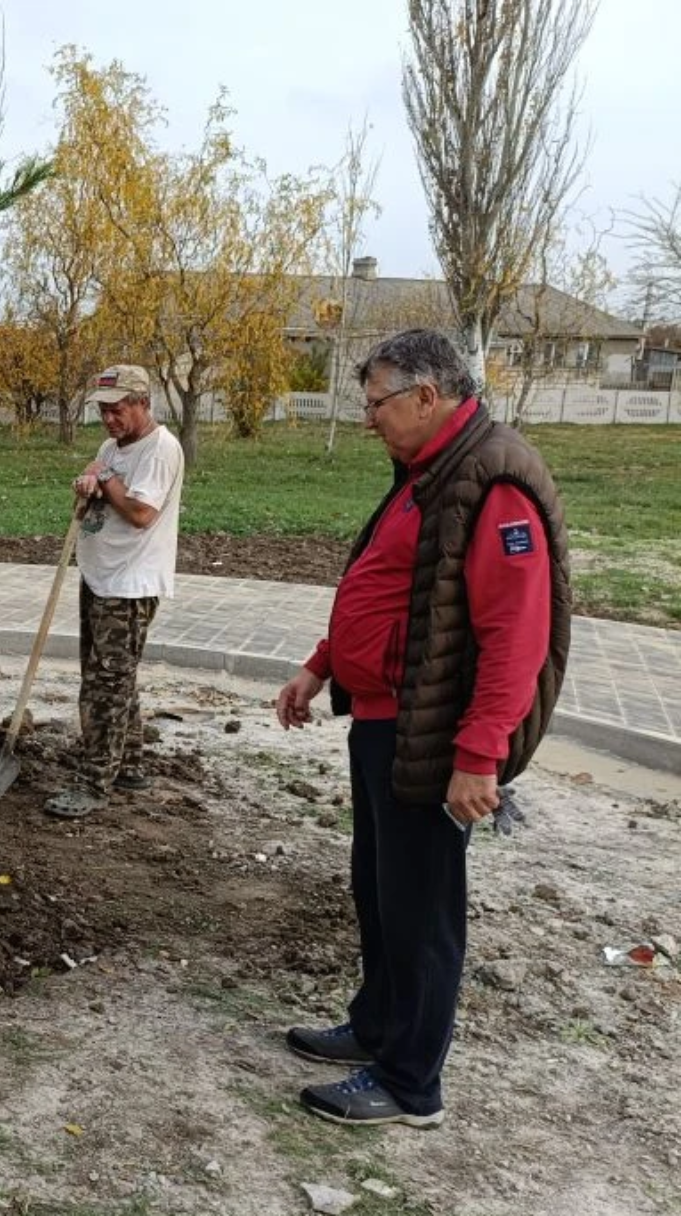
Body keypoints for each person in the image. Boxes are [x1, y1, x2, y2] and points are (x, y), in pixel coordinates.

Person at [274, 328, 571, 1128]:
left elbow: (518, 632)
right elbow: (392, 587)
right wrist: (320, 665)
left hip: (433, 735)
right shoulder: (427, 472)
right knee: (380, 891)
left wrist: (478, 757)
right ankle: (375, 1026)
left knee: (423, 908)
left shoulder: (490, 481)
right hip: (382, 721)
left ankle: (410, 1083)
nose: (367, 417)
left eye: (375, 402)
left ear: (425, 396)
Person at [47, 364, 185, 819]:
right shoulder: (112, 446)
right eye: (104, 410)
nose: (109, 419)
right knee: (114, 676)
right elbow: (97, 482)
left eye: (118, 409)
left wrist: (103, 480)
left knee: (105, 686)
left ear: (143, 403)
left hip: (129, 585)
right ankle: (128, 764)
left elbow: (142, 513)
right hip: (100, 577)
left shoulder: (160, 450)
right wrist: (88, 482)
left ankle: (93, 783)